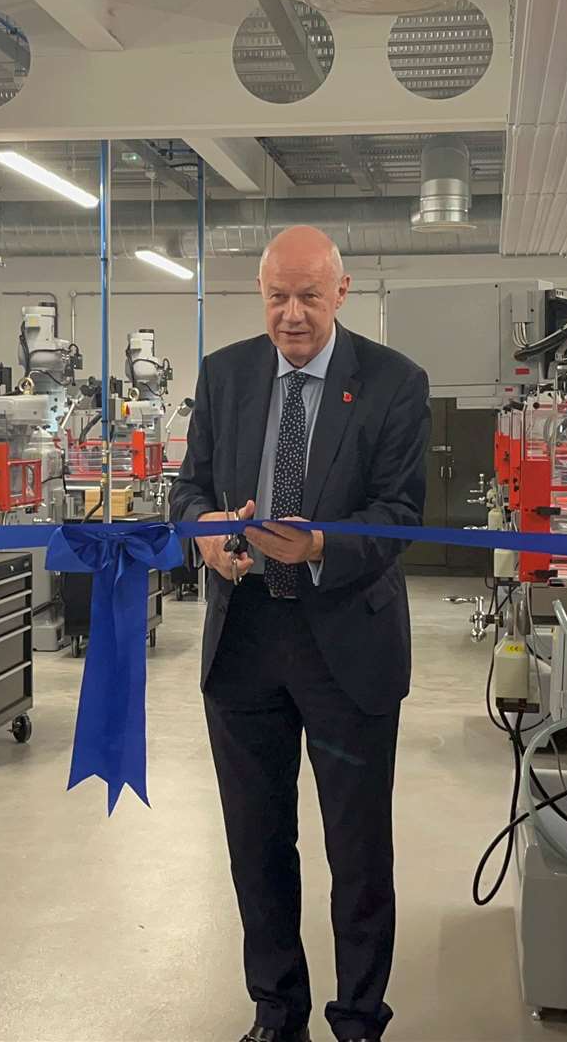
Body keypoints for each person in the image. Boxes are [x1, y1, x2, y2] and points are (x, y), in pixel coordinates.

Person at [169, 225, 430, 1042]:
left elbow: (400, 515)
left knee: (357, 852)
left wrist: (321, 546)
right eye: (276, 296)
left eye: (309, 297)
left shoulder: (393, 383)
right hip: (245, 642)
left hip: (345, 642)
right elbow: (190, 491)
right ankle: (276, 1012)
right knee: (256, 844)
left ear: (342, 293)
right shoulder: (225, 376)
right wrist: (204, 532)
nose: (290, 315)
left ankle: (358, 1019)